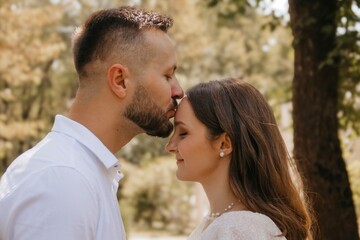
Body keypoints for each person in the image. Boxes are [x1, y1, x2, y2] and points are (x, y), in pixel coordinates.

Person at [0, 6, 183, 240]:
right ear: (120, 81)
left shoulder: (83, 171)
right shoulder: (63, 180)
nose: (178, 91)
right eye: (167, 75)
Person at [166, 78, 313, 239]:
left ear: (224, 144)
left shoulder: (237, 229)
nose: (170, 146)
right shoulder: (219, 223)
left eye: (183, 133)